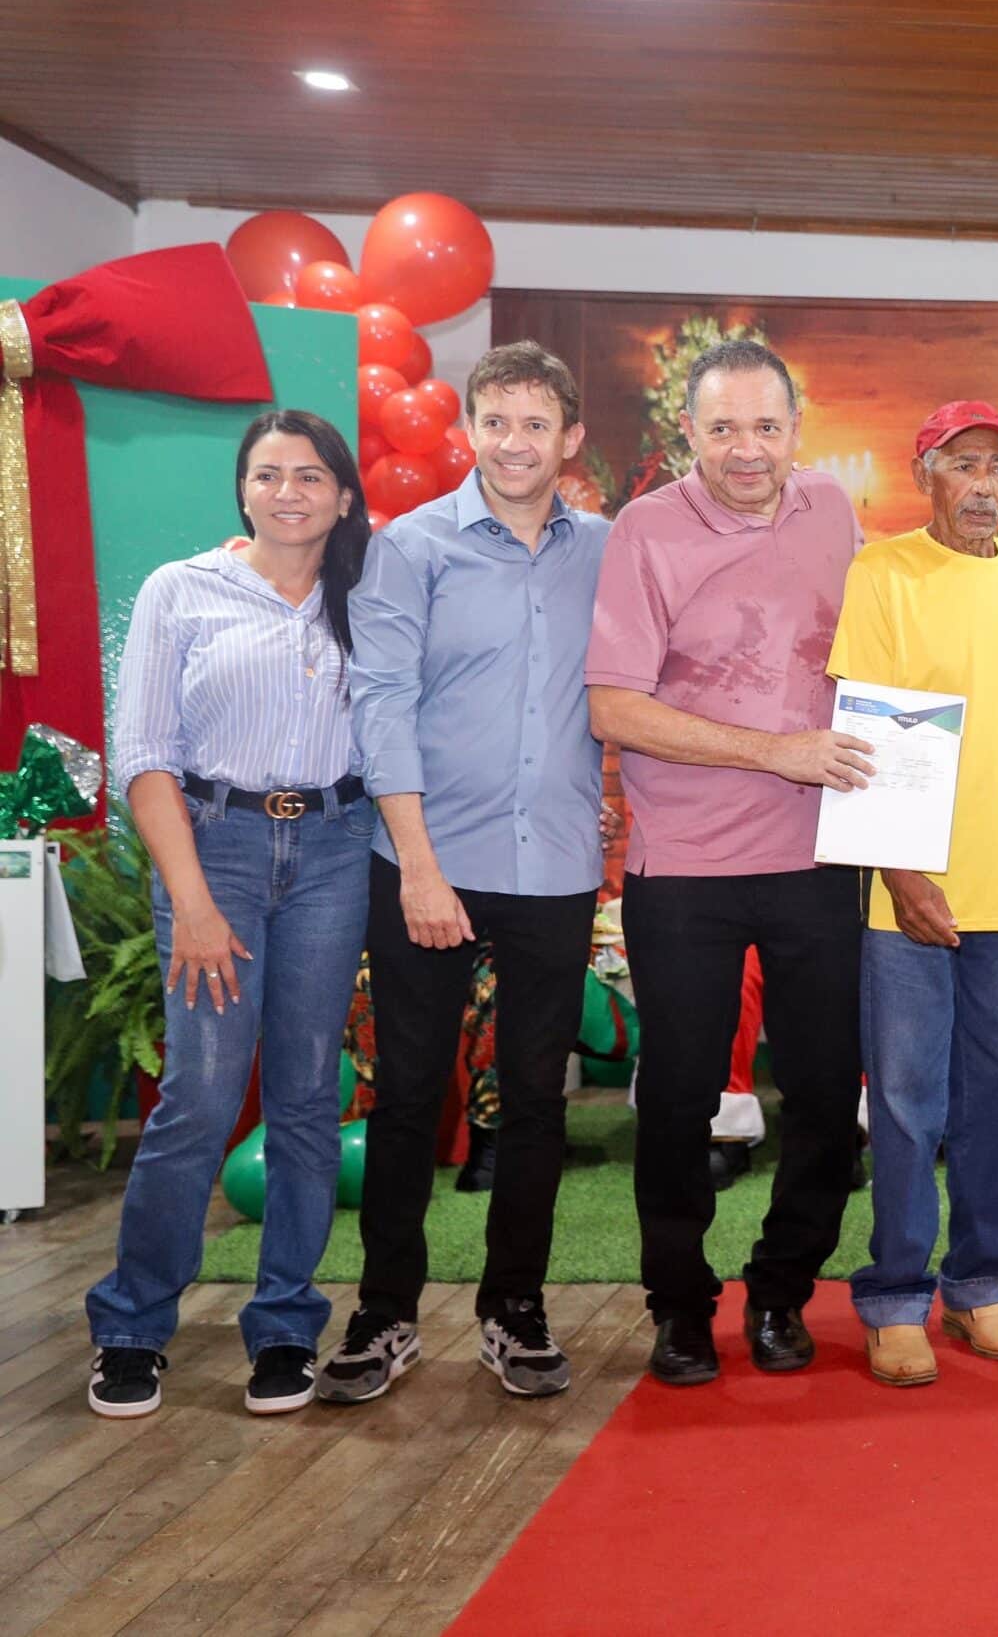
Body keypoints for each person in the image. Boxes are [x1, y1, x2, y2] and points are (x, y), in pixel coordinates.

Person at [317, 343, 609, 1406]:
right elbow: (380, 703)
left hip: (557, 862)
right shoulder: (412, 546)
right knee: (406, 1095)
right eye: (496, 421)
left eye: (536, 423)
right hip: (427, 861)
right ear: (470, 430)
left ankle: (514, 1309)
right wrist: (419, 868)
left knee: (536, 1099)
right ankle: (385, 1313)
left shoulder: (609, 549)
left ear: (569, 437)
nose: (514, 443)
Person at [586, 339, 872, 1388]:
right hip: (686, 867)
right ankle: (679, 1302)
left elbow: (871, 658)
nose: (746, 450)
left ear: (796, 430)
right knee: (677, 1099)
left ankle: (783, 1288)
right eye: (722, 428)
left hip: (818, 858)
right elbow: (614, 707)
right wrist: (774, 751)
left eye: (765, 426)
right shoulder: (645, 530)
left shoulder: (833, 511)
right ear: (689, 433)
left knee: (826, 1094)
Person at [85, 412, 375, 1420]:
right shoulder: (181, 589)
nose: (288, 491)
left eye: (311, 474)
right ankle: (131, 1325)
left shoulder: (369, 595)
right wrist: (194, 900)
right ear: (242, 488)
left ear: (343, 494)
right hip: (216, 851)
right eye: (267, 473)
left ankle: (286, 1322)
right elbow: (144, 755)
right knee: (201, 1096)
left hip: (336, 848)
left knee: (305, 1097)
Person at [830, 402, 998, 1386]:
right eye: (963, 464)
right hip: (913, 890)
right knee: (904, 1097)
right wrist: (898, 872)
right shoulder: (882, 571)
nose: (984, 485)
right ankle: (896, 1294)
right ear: (924, 472)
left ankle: (980, 1281)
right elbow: (863, 727)